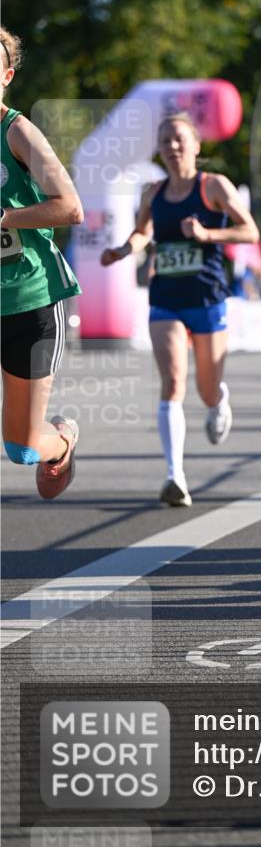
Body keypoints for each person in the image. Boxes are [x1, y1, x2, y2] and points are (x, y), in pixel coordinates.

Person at [101, 113, 258, 507]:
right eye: (165, 141)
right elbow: (142, 233)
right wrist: (123, 250)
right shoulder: (153, 193)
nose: (171, 147)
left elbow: (250, 231)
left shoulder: (214, 186)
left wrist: (208, 234)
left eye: (179, 140)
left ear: (196, 146)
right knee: (172, 381)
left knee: (205, 390)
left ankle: (218, 400)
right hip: (166, 297)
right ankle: (175, 477)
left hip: (207, 297)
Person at [1, 26, 83, 499]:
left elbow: (70, 207)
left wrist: (4, 216)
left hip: (30, 300)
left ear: (6, 76)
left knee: (24, 447)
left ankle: (63, 440)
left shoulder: (18, 132)